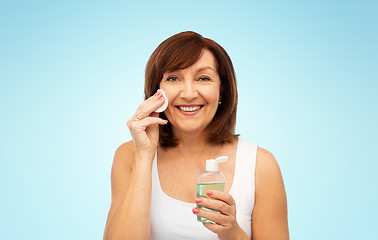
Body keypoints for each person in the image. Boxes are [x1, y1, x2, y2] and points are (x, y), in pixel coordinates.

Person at [103, 31, 289, 240]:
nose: (189, 94)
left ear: (222, 91)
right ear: (157, 91)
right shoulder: (130, 155)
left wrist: (232, 233)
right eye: (173, 78)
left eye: (203, 78)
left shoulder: (260, 165)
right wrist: (145, 156)